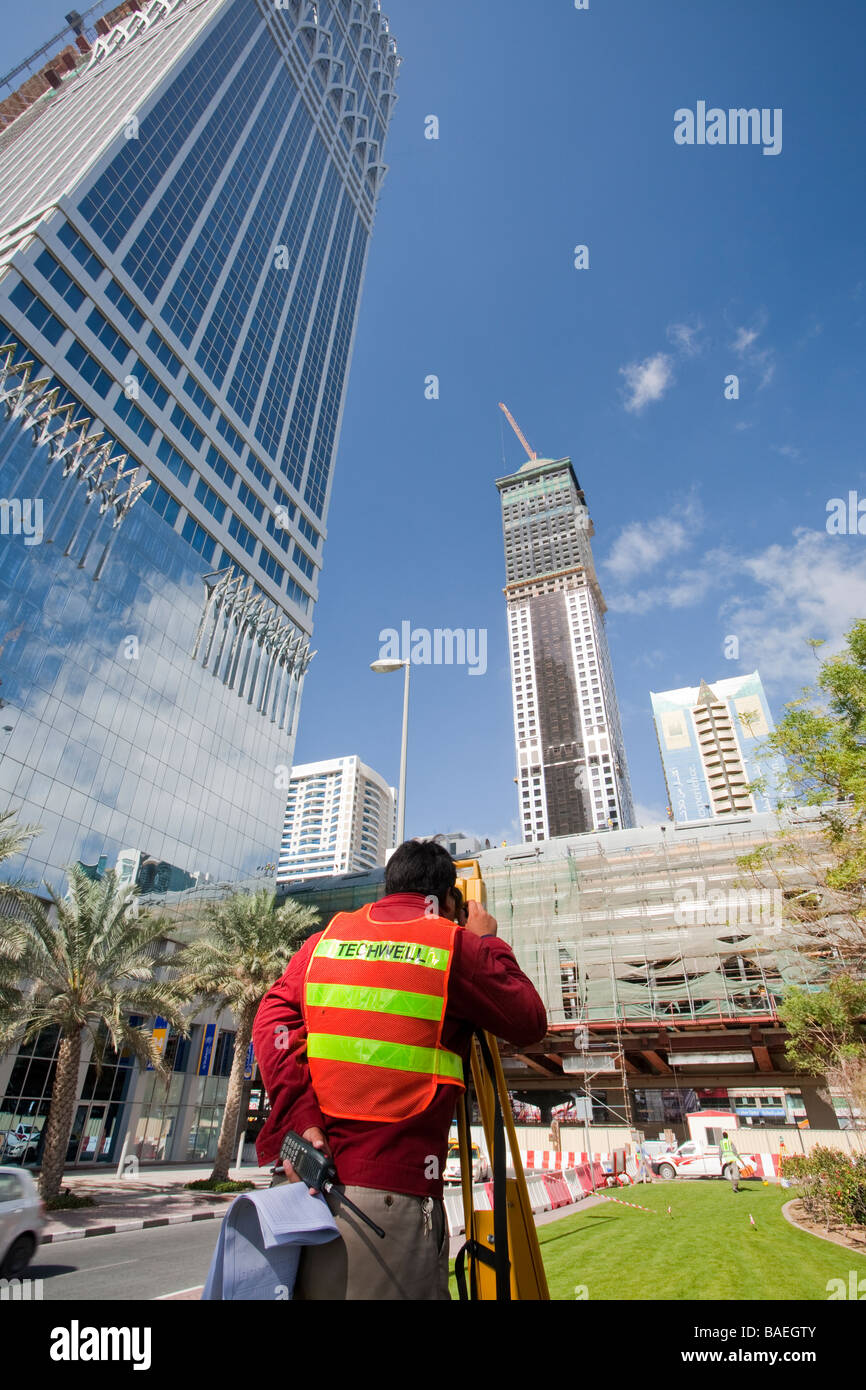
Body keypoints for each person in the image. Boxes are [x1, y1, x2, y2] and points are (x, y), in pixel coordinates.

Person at [252, 839, 548, 1301]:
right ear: (449, 901)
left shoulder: (324, 941)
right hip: (384, 1206)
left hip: (297, 1191)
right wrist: (486, 939)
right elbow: (530, 1020)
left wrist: (301, 1116)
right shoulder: (454, 945)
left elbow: (272, 1019)